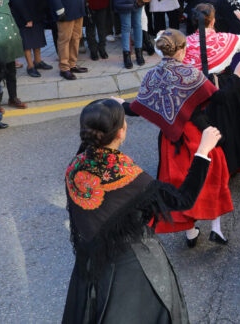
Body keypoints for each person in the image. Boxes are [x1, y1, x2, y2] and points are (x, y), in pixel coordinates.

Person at [63, 99, 218, 323]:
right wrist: (203, 150)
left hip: (90, 264)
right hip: (131, 268)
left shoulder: (74, 167)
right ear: (121, 133)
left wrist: (104, 110)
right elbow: (184, 199)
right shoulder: (132, 179)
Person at [122, 30, 234, 248]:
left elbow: (137, 108)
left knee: (178, 183)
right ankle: (216, 229)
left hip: (171, 142)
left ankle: (191, 233)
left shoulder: (152, 75)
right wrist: (236, 77)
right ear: (182, 50)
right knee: (213, 174)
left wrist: (120, 104)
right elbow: (218, 98)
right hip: (197, 134)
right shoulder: (190, 73)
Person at [184, 4, 240, 175]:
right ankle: (229, 164)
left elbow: (160, 46)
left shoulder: (184, 43)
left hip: (196, 88)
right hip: (225, 83)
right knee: (229, 125)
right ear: (213, 21)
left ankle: (205, 164)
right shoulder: (225, 39)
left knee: (202, 127)